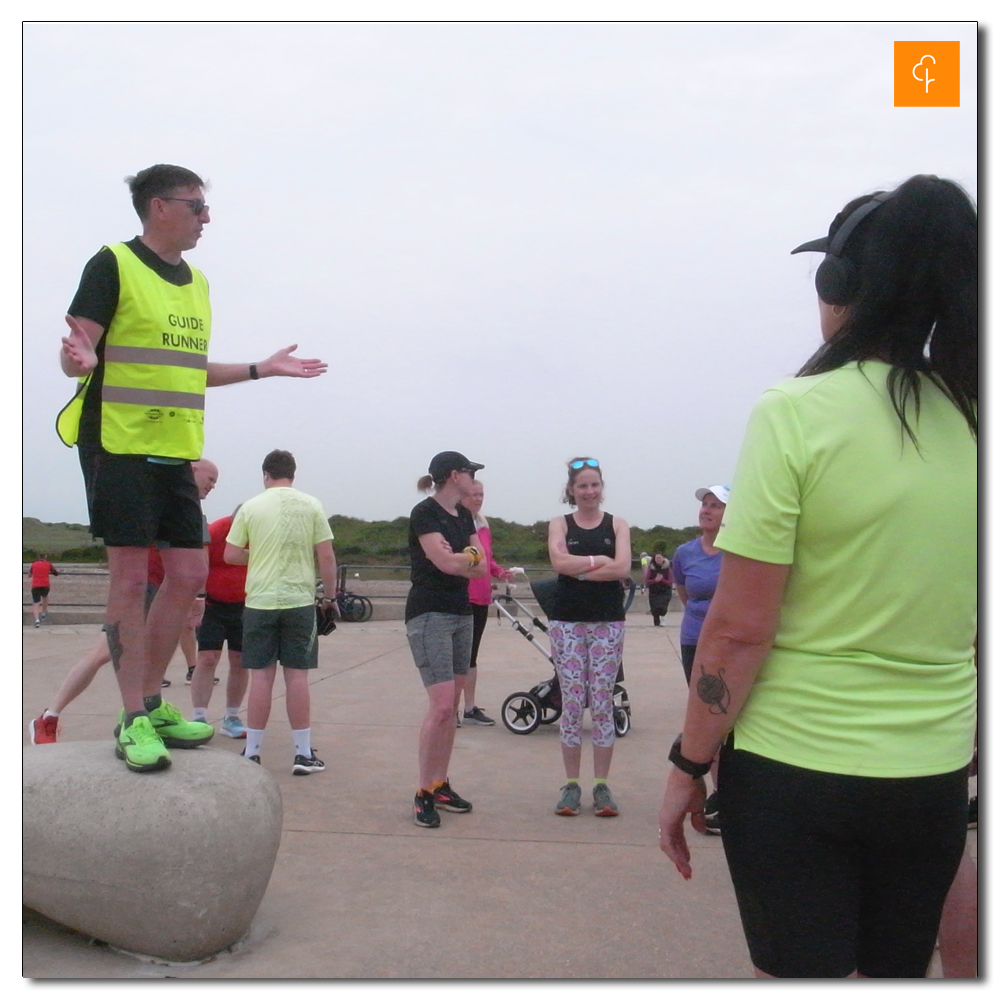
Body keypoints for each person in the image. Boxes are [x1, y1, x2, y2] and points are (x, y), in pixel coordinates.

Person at [658, 175, 977, 979]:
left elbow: (737, 629)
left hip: (795, 772)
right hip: (931, 776)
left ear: (843, 288)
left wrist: (688, 764)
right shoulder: (977, 421)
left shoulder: (795, 412)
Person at [56, 163, 327, 773]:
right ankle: (131, 716)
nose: (207, 218)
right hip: (118, 443)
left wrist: (260, 368)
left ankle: (152, 702)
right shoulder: (112, 264)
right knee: (129, 579)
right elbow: (80, 352)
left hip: (176, 448)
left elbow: (188, 369)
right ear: (159, 207)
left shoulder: (196, 282)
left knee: (187, 573)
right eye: (196, 206)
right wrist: (76, 360)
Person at [29, 460, 219, 743]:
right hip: (144, 592)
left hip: (164, 593)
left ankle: (150, 707)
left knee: (153, 650)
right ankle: (49, 717)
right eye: (210, 478)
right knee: (102, 654)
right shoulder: (156, 499)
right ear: (191, 470)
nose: (212, 486)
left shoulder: (188, 512)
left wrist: (194, 599)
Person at [224, 450, 335, 775]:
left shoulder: (250, 507)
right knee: (297, 676)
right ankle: (302, 753)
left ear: (265, 474)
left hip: (259, 601)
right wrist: (329, 597)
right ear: (293, 474)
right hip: (298, 600)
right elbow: (326, 557)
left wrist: (258, 555)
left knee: (261, 677)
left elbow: (230, 554)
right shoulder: (311, 504)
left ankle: (253, 752)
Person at [406, 451, 488, 828]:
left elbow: (481, 565)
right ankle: (423, 792)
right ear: (455, 475)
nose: (474, 479)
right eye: (470, 473)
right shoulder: (424, 512)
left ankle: (440, 783)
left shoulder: (465, 515)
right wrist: (466, 557)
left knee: (451, 707)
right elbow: (446, 564)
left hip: (461, 612)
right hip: (430, 613)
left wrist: (465, 556)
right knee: (440, 706)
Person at [547, 457, 632, 818]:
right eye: (582, 485)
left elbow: (624, 568)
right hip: (566, 623)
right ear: (571, 490)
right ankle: (571, 785)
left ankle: (600, 784)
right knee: (571, 701)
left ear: (602, 487)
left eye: (594, 484)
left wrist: (580, 567)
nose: (589, 491)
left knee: (601, 702)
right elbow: (558, 562)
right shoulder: (559, 523)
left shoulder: (619, 524)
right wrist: (601, 564)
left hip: (607, 623)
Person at [671, 485, 730, 832]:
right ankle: (720, 795)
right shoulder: (685, 552)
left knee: (727, 720)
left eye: (716, 505)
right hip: (695, 641)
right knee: (707, 718)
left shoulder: (738, 551)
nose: (706, 510)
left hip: (727, 644)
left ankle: (726, 794)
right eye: (705, 504)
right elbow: (683, 591)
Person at [458, 479, 514, 726]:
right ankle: (449, 709)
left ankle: (469, 708)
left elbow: (486, 560)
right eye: (472, 495)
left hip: (481, 599)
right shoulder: (455, 525)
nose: (478, 499)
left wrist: (500, 572)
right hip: (461, 598)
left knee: (471, 656)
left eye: (481, 494)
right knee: (457, 658)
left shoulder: (482, 526)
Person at [190, 510, 249, 739]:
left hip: (244, 605)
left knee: (240, 660)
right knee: (207, 658)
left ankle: (232, 717)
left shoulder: (259, 534)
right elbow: (200, 565)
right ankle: (199, 717)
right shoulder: (216, 531)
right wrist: (197, 599)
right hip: (213, 605)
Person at [28, 556, 59, 627]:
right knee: (45, 597)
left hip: (35, 585)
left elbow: (30, 575)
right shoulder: (48, 564)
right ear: (45, 557)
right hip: (45, 584)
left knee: (36, 603)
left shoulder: (34, 564)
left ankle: (37, 620)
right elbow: (55, 573)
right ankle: (43, 611)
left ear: (38, 558)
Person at [644, 552, 673, 627]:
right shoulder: (651, 568)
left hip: (665, 590)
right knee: (654, 608)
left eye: (660, 557)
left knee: (663, 606)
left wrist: (662, 579)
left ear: (663, 558)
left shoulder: (667, 569)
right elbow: (647, 580)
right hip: (654, 591)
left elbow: (670, 581)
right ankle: (656, 623)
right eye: (657, 558)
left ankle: (663, 619)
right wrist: (655, 580)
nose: (658, 559)